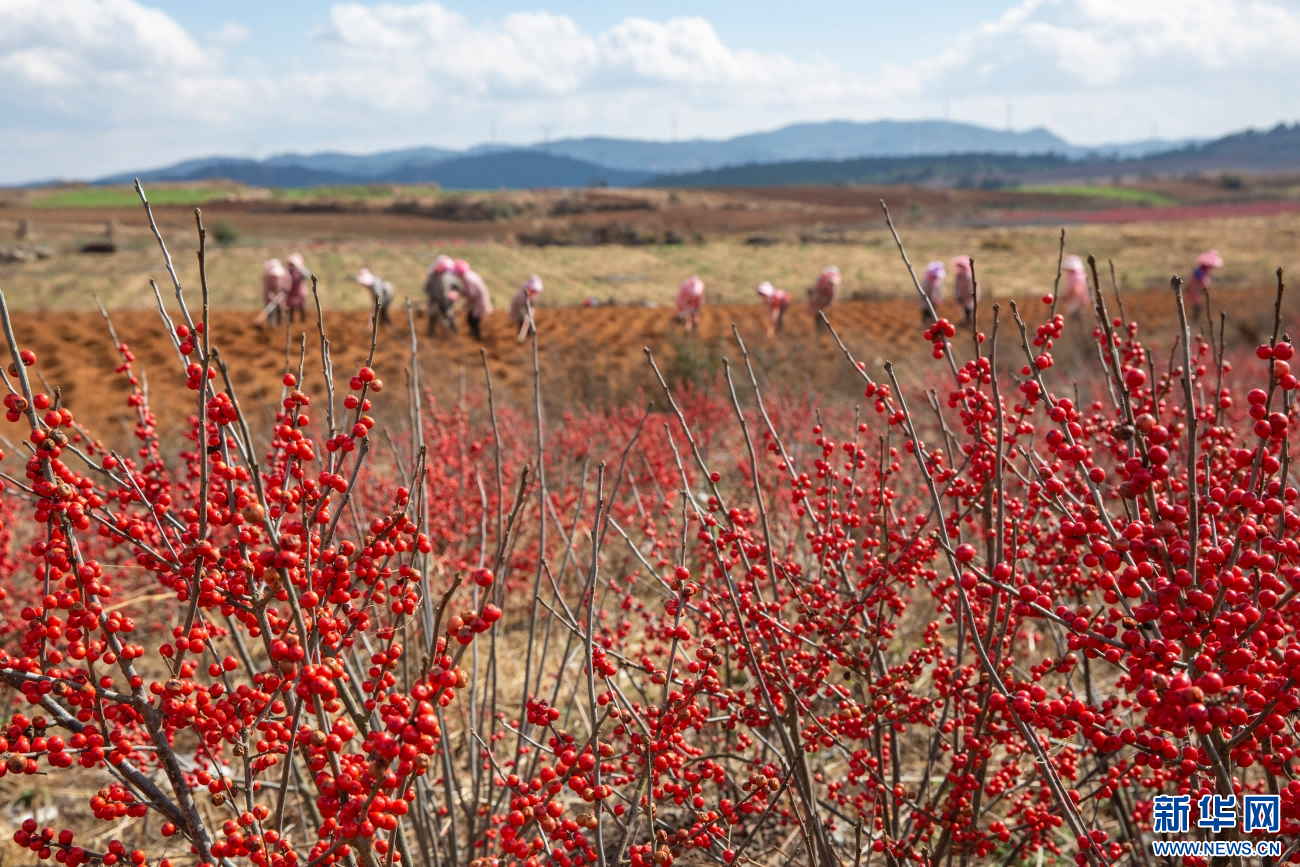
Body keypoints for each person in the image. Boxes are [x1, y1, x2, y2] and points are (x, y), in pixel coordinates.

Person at [423, 255, 462, 335]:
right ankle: (431, 333)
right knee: (432, 315)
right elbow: (426, 288)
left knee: (449, 314)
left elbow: (457, 287)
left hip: (445, 299)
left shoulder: (449, 277)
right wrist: (432, 295)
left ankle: (455, 331)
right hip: (434, 299)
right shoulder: (432, 277)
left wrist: (453, 293)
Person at [456, 259, 492, 340]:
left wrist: (467, 299)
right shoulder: (470, 274)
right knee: (473, 317)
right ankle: (476, 333)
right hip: (479, 298)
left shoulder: (466, 278)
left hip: (478, 299)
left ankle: (477, 335)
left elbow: (471, 293)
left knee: (473, 318)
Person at [1186, 249, 1223, 321]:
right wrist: (1207, 290)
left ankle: (1196, 318)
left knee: (1199, 304)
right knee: (1197, 304)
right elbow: (1202, 281)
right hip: (1196, 289)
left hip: (1198, 289)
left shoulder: (1204, 269)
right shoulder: (1200, 270)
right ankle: (1195, 319)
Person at [509, 275, 544, 342]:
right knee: (523, 319)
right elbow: (522, 302)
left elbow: (533, 300)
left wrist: (531, 308)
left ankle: (528, 336)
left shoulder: (534, 291)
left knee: (529, 320)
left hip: (526, 306)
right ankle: (522, 336)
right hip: (520, 305)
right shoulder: (524, 291)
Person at [261, 258, 290, 327]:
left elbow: (287, 285)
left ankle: (279, 325)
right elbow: (267, 290)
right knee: (270, 311)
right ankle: (271, 325)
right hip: (269, 299)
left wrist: (283, 293)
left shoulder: (285, 275)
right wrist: (272, 297)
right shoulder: (266, 277)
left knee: (279, 310)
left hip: (281, 297)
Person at [285, 252, 311, 323]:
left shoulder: (301, 271)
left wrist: (300, 269)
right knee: (291, 309)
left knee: (302, 308)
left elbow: (307, 275)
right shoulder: (288, 272)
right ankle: (291, 322)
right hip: (291, 293)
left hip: (300, 293)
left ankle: (304, 322)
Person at [953, 256, 977, 324]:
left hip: (969, 295)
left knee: (969, 308)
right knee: (962, 308)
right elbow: (956, 286)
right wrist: (958, 295)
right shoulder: (958, 276)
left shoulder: (969, 276)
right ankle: (965, 320)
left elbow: (971, 287)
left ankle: (969, 321)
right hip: (962, 295)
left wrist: (968, 295)